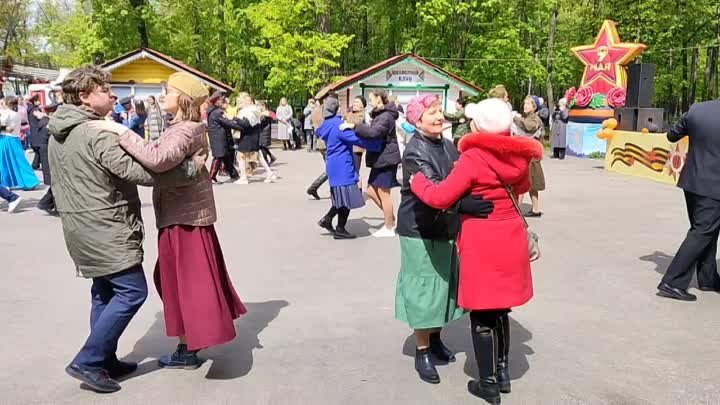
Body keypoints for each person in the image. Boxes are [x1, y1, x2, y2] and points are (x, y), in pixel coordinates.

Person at [48, 66, 205, 393]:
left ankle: (105, 359)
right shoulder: (97, 132)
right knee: (132, 291)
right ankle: (89, 361)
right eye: (104, 90)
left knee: (104, 292)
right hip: (107, 226)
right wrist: (191, 168)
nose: (112, 94)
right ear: (84, 96)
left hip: (80, 227)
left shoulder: (60, 130)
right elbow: (144, 173)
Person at [98, 72, 247, 369]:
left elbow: (158, 159)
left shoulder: (184, 129)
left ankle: (190, 347)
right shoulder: (183, 127)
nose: (163, 94)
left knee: (186, 283)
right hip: (184, 215)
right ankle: (188, 344)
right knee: (179, 282)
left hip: (184, 218)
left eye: (168, 90)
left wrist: (117, 130)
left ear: (183, 98)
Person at [410, 98, 541, 402]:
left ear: (477, 126)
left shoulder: (473, 158)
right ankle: (504, 372)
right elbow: (519, 189)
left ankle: (488, 383)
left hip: (482, 238)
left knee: (483, 313)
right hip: (510, 235)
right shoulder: (520, 157)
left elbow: (440, 196)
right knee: (501, 309)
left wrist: (417, 182)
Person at [395, 94, 495, 386]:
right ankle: (422, 350)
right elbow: (434, 190)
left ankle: (436, 338)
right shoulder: (415, 152)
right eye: (431, 113)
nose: (439, 117)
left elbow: (461, 179)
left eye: (440, 112)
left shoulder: (448, 146)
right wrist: (463, 205)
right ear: (417, 120)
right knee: (425, 288)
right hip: (420, 230)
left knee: (444, 286)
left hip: (447, 227)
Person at [657, 98, 720, 301]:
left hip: (691, 181)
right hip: (714, 185)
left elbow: (672, 135)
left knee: (707, 229)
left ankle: (708, 278)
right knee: (702, 231)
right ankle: (672, 282)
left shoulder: (697, 109)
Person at [317, 97, 382, 239]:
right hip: (343, 165)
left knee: (340, 197)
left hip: (333, 164)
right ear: (336, 109)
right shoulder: (340, 126)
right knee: (347, 198)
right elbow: (358, 140)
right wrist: (378, 146)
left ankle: (327, 220)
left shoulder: (326, 124)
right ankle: (340, 228)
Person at [341, 90, 401, 238]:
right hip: (380, 158)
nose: (370, 102)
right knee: (371, 191)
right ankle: (390, 219)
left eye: (371, 99)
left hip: (386, 159)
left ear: (379, 99)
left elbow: (374, 132)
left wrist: (354, 126)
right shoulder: (380, 115)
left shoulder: (386, 116)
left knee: (383, 193)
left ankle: (389, 227)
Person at [234, 93, 278, 184]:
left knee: (240, 156)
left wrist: (235, 119)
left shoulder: (247, 111)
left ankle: (243, 177)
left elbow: (246, 124)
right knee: (259, 156)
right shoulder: (255, 110)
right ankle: (270, 173)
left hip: (247, 137)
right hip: (255, 136)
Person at [512, 96, 545, 217]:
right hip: (529, 155)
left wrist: (514, 118)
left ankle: (516, 210)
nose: (525, 106)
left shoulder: (534, 119)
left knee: (523, 182)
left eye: (528, 104)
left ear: (534, 107)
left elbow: (528, 127)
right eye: (525, 103)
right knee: (531, 185)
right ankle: (535, 209)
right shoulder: (528, 117)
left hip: (531, 156)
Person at [0, 96, 41, 190]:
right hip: (15, 138)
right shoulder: (16, 113)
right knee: (19, 161)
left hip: (6, 139)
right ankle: (29, 181)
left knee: (4, 162)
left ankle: (5, 183)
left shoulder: (8, 113)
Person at [207, 91, 241, 183]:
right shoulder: (218, 112)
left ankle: (234, 175)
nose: (222, 102)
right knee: (218, 157)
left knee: (226, 158)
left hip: (218, 138)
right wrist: (241, 127)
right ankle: (211, 177)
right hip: (219, 138)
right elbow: (228, 122)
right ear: (216, 102)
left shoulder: (212, 111)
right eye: (221, 101)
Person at [35, 103, 60, 215]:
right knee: (56, 182)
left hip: (46, 153)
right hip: (49, 154)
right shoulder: (50, 123)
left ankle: (47, 203)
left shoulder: (45, 122)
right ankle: (47, 203)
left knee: (56, 182)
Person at [306, 94, 333, 199]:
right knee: (331, 168)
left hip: (320, 142)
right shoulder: (325, 111)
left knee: (330, 167)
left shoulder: (315, 111)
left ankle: (332, 191)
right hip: (327, 142)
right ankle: (314, 187)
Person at [345, 96, 370, 185]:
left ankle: (358, 192)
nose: (355, 104)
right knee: (348, 169)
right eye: (354, 102)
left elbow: (359, 124)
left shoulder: (364, 115)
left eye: (358, 102)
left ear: (363, 105)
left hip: (356, 146)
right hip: (347, 145)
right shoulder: (349, 113)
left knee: (356, 170)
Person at [27, 94, 43, 169]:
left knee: (38, 151)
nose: (40, 101)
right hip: (38, 131)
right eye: (38, 100)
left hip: (33, 130)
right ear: (35, 101)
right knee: (39, 150)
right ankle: (35, 164)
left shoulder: (30, 110)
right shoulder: (36, 110)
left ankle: (35, 164)